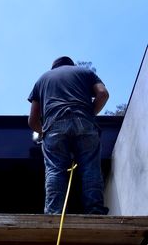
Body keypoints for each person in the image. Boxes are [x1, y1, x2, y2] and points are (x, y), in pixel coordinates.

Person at [28, 56, 109, 215]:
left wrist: (44, 132)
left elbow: (32, 121)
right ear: (71, 65)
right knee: (90, 167)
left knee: (55, 170)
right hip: (85, 122)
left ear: (54, 67)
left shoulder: (42, 79)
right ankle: (95, 211)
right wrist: (88, 115)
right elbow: (103, 94)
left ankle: (53, 213)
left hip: (54, 125)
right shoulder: (85, 72)